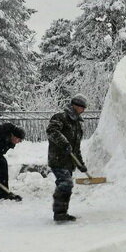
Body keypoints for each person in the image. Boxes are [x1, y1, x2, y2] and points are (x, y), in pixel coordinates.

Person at [46, 94, 89, 222]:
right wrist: (64, 144)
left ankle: (62, 212)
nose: (84, 110)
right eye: (82, 108)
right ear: (76, 106)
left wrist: (80, 163)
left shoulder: (77, 125)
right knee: (66, 183)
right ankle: (59, 213)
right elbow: (51, 131)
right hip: (58, 159)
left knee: (66, 185)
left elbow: (76, 148)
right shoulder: (60, 117)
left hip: (69, 162)